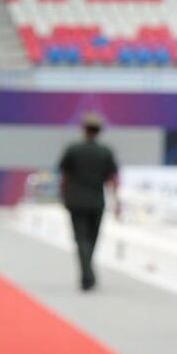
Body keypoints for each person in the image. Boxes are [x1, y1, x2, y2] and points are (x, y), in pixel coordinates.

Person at [58, 113, 119, 291]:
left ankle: (87, 274)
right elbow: (112, 179)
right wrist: (117, 201)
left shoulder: (73, 149)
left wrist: (63, 195)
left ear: (84, 129)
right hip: (96, 202)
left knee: (81, 239)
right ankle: (88, 273)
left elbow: (65, 176)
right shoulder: (105, 152)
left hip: (76, 201)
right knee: (92, 239)